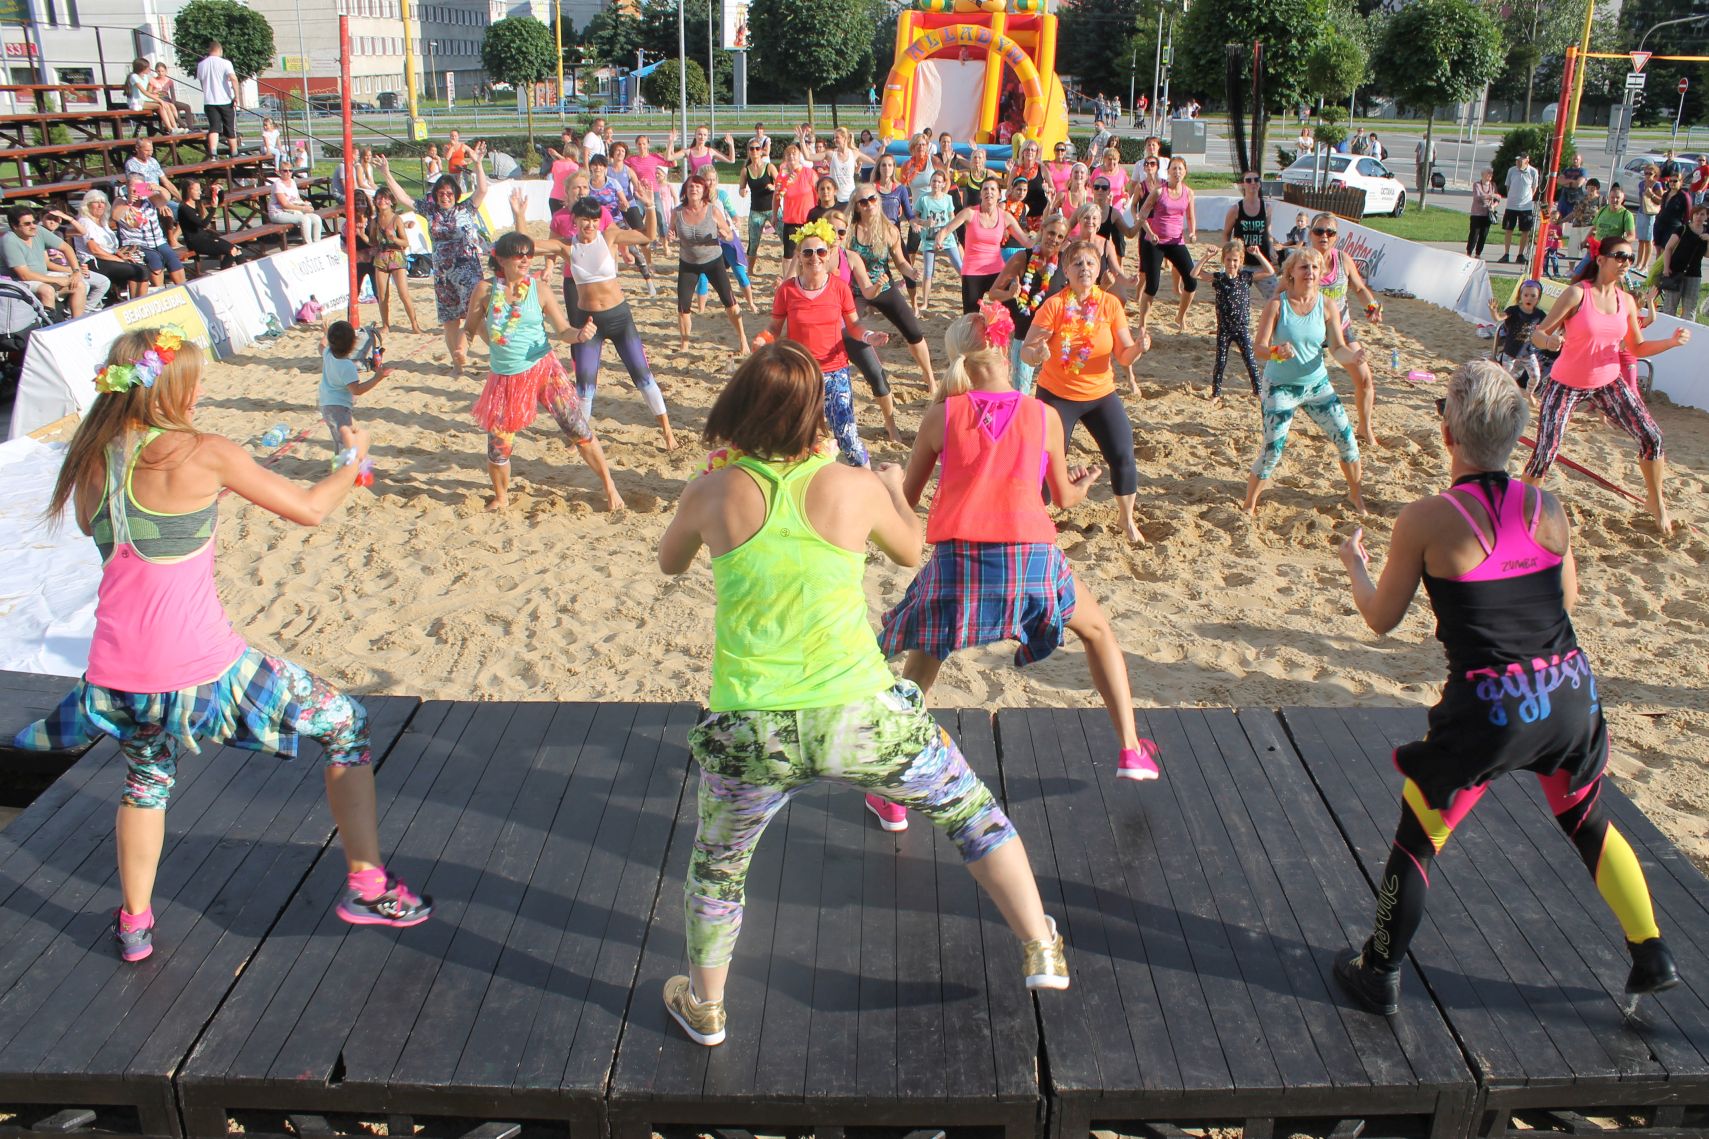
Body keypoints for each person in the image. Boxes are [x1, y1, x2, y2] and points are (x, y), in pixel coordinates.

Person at [654, 340, 1069, 1046]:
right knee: (972, 813)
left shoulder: (712, 491)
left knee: (718, 869)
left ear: (739, 408)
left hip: (754, 724)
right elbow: (910, 549)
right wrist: (888, 484)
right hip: (860, 712)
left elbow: (669, 562)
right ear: (816, 413)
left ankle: (707, 1004)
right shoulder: (850, 485)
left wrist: (707, 483)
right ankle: (1039, 945)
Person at [15, 327, 432, 964]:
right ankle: (368, 884)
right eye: (194, 381)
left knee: (146, 780)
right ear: (170, 388)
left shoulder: (90, 459)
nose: (201, 392)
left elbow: (133, 528)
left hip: (116, 673)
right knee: (347, 725)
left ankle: (134, 924)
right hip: (203, 667)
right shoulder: (205, 451)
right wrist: (353, 462)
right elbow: (310, 509)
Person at [1330, 360, 1677, 1017]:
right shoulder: (1548, 506)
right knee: (1586, 819)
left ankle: (1378, 971)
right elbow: (1566, 599)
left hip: (1491, 707)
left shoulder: (1426, 518)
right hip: (1568, 691)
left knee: (1417, 839)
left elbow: (1380, 619)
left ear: (1446, 434)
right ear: (1517, 435)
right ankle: (1650, 949)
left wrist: (1354, 565)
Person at [879, 309, 1160, 799]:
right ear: (1007, 354)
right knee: (1097, 632)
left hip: (961, 564)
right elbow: (1063, 499)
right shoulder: (1043, 415)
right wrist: (1084, 483)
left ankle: (890, 788)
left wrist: (885, 485)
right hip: (1031, 560)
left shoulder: (941, 415)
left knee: (924, 660)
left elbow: (908, 499)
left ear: (959, 358)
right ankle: (1132, 749)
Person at [1524, 236, 1686, 534]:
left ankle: (1655, 501)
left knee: (1652, 438)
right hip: (1566, 383)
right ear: (1600, 260)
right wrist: (1548, 341)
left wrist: (1671, 342)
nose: (1626, 262)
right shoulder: (1577, 294)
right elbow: (1538, 332)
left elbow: (1636, 348)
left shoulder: (1626, 301)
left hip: (1608, 381)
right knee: (1545, 451)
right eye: (1620, 256)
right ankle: (1522, 514)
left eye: (1630, 258)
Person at [463, 231, 622, 513]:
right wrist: (460, 349)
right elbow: (468, 329)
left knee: (578, 429)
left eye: (529, 254)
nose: (526, 260)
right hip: (505, 377)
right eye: (518, 255)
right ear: (501, 259)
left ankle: (610, 487)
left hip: (544, 369)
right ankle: (501, 497)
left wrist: (580, 335)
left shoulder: (540, 290)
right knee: (498, 446)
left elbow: (563, 331)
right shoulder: (485, 290)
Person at [521, 191, 676, 452]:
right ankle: (579, 438)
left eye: (594, 220)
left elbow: (648, 236)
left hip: (619, 318)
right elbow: (526, 246)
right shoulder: (567, 247)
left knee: (643, 376)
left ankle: (667, 431)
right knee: (585, 385)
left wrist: (650, 206)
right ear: (575, 220)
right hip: (588, 322)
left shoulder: (610, 237)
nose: (590, 225)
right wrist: (519, 215)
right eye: (585, 219)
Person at [1018, 239, 1147, 544]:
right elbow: (1026, 351)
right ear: (1066, 271)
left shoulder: (1110, 304)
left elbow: (1124, 355)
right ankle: (1039, 518)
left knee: (1123, 454)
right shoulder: (1054, 305)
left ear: (1099, 268)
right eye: (1077, 263)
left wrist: (1139, 348)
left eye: (1090, 263)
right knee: (1046, 461)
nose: (1084, 268)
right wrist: (1037, 354)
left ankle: (1126, 519)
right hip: (1057, 394)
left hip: (1101, 394)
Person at [1245, 247, 1365, 517]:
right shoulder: (1277, 305)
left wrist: (1353, 357)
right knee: (1272, 450)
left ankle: (1356, 497)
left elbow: (1337, 348)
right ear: (1291, 273)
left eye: (1314, 268)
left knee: (1348, 441)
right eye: (1304, 267)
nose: (1310, 272)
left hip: (1317, 385)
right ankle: (1249, 504)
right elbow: (1258, 349)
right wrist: (1276, 352)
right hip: (1280, 387)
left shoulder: (1327, 305)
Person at [765, 218, 892, 466]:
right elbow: (774, 328)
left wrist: (869, 337)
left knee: (847, 436)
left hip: (835, 372)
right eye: (808, 252)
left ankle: (866, 477)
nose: (815, 258)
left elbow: (853, 326)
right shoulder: (787, 290)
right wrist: (763, 340)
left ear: (829, 253)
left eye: (821, 251)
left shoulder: (839, 288)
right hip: (801, 373)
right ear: (799, 256)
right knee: (800, 439)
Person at [378, 152, 487, 372]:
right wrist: (387, 174)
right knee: (450, 321)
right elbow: (403, 198)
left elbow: (482, 190)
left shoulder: (466, 209)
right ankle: (457, 364)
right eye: (440, 193)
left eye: (449, 193)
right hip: (443, 276)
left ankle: (500, 355)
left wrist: (478, 164)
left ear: (455, 194)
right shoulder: (431, 211)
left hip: (468, 274)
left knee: (476, 318)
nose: (445, 197)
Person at [844, 186, 935, 388]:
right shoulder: (849, 231)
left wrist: (911, 272)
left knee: (913, 332)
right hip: (857, 290)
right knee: (846, 332)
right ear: (856, 207)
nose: (869, 204)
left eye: (872, 199)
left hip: (884, 286)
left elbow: (900, 261)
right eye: (863, 202)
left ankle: (929, 375)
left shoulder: (889, 230)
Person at [1310, 213, 1382, 447]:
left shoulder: (1343, 259)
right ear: (1311, 234)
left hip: (1340, 328)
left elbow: (1359, 289)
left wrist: (1371, 307)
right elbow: (1282, 292)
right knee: (1298, 386)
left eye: (1329, 232)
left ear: (1336, 237)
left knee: (1365, 378)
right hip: (1310, 331)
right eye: (1319, 231)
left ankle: (1365, 427)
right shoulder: (1303, 260)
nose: (1324, 236)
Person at [987, 214, 1070, 395]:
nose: (1054, 239)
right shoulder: (1022, 257)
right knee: (1021, 391)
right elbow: (993, 293)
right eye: (1051, 233)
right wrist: (1010, 294)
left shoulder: (1066, 264)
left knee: (1055, 392)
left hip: (1056, 338)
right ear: (1042, 230)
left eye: (1060, 236)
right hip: (1025, 336)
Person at [671, 176, 748, 354]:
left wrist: (725, 235)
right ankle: (684, 345)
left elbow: (730, 234)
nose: (694, 189)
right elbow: (670, 232)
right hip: (688, 263)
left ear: (704, 190)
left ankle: (743, 339)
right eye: (691, 186)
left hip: (713, 261)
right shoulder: (677, 212)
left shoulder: (712, 210)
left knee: (729, 301)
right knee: (683, 307)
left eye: (698, 187)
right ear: (685, 190)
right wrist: (669, 236)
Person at [1196, 238, 1273, 399]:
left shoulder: (1245, 277)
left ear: (1241, 261)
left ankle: (1258, 391)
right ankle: (1216, 394)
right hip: (1224, 328)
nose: (1232, 263)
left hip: (1242, 327)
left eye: (1235, 260)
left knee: (1250, 360)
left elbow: (1269, 271)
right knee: (1220, 362)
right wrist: (1206, 257)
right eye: (1228, 259)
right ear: (1223, 260)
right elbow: (1194, 273)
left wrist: (1258, 255)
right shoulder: (1219, 278)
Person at [2, 205, 108, 317]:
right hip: (15, 281)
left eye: (34, 222)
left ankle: (76, 321)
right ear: (14, 226)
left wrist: (76, 271)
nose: (33, 226)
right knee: (47, 290)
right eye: (27, 224)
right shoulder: (9, 241)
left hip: (41, 275)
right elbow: (25, 275)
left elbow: (66, 248)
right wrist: (57, 280)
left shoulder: (39, 231)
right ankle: (48, 324)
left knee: (79, 285)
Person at [947, 178, 1032, 314]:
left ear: (999, 194)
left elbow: (1026, 241)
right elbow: (946, 230)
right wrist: (939, 239)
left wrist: (1044, 240)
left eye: (993, 189)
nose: (989, 192)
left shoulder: (1005, 217)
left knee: (1012, 310)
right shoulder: (970, 213)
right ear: (980, 194)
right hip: (972, 271)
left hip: (996, 269)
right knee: (971, 315)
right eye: (985, 189)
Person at [1133, 156, 1199, 331]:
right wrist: (1150, 233)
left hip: (1176, 241)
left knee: (1191, 281)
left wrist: (1192, 232)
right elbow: (1142, 215)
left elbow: (1190, 216)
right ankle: (1142, 324)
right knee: (1152, 286)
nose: (1177, 172)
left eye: (1180, 169)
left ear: (1185, 172)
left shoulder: (1188, 193)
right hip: (1154, 242)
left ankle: (1180, 316)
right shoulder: (1159, 192)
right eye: (1174, 168)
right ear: (1168, 171)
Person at [319, 319, 389, 451]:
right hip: (338, 408)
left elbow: (321, 346)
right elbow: (356, 390)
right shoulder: (347, 366)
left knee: (340, 439)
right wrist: (376, 379)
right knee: (345, 442)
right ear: (354, 344)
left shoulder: (328, 353)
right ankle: (346, 463)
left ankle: (342, 460)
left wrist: (326, 334)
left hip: (325, 403)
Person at [71, 190, 149, 300]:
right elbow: (95, 250)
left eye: (103, 202)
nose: (100, 206)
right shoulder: (85, 222)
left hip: (107, 258)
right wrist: (119, 260)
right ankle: (137, 302)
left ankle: (136, 300)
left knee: (139, 267)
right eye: (96, 202)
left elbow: (110, 246)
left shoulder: (103, 222)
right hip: (93, 262)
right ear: (87, 205)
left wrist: (122, 256)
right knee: (140, 270)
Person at [369, 188, 423, 333]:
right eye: (379, 198)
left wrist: (393, 238)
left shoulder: (396, 219)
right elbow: (373, 241)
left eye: (385, 198)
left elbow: (405, 243)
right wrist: (364, 234)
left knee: (403, 294)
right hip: (381, 258)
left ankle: (414, 325)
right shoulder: (374, 221)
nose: (382, 201)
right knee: (382, 295)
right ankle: (385, 325)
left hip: (396, 257)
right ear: (375, 201)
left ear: (391, 201)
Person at [1487, 279, 1550, 394]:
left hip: (1528, 352)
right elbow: (1498, 318)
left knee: (1535, 376)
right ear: (1520, 296)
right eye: (1526, 295)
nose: (1529, 298)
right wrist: (1493, 311)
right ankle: (1500, 394)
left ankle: (1529, 394)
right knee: (1506, 378)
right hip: (1510, 352)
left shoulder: (1539, 314)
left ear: (1538, 298)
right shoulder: (1513, 310)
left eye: (1533, 296)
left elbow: (1550, 325)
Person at [914, 169, 963, 313]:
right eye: (934, 181)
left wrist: (951, 232)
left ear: (943, 184)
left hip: (947, 238)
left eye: (939, 182)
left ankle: (967, 296)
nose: (936, 184)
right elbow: (914, 217)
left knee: (960, 268)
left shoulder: (947, 199)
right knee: (928, 271)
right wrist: (924, 222)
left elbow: (952, 217)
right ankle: (925, 302)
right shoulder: (923, 199)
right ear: (930, 182)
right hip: (929, 239)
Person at [113, 197, 184, 289]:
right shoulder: (121, 200)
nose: (136, 191)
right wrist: (129, 202)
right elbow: (114, 216)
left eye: (139, 188)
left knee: (172, 259)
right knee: (154, 259)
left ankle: (184, 289)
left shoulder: (150, 199)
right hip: (136, 243)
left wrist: (148, 191)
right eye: (133, 189)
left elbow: (164, 198)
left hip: (158, 241)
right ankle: (159, 290)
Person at [1656, 202, 1708, 320]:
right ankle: (1667, 329)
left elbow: (1707, 255)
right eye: (1696, 214)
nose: (1699, 217)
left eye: (1702, 214)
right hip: (1675, 271)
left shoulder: (1706, 232)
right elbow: (1668, 248)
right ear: (1692, 215)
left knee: (1690, 309)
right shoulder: (1682, 229)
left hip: (1694, 274)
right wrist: (1666, 268)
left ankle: (1686, 330)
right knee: (1670, 307)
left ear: (1707, 216)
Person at [177, 180, 240, 270]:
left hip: (205, 237)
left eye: (200, 190)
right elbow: (203, 224)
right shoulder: (184, 208)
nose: (199, 192)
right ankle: (223, 275)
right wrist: (213, 209)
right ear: (188, 191)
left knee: (238, 251)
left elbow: (220, 200)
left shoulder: (197, 202)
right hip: (195, 242)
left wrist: (218, 190)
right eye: (197, 190)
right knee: (232, 251)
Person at [1222, 169, 1275, 276]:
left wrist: (1272, 249)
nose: (1253, 183)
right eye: (1248, 180)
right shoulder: (1235, 209)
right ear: (1243, 184)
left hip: (1262, 261)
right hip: (1241, 263)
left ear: (1260, 183)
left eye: (1256, 180)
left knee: (1274, 286)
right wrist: (1226, 256)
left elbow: (1268, 233)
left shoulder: (1267, 208)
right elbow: (1226, 234)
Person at [738, 139, 778, 268]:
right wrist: (742, 192)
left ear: (761, 151)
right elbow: (741, 189)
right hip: (756, 211)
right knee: (753, 243)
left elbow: (781, 184)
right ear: (748, 152)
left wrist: (773, 187)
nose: (754, 151)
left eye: (757, 148)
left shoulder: (769, 167)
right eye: (752, 148)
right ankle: (750, 272)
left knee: (786, 238)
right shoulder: (745, 171)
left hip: (772, 209)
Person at [195, 41, 239, 157]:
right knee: (229, 127)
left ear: (209, 50)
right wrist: (236, 96)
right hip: (225, 100)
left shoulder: (201, 65)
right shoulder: (225, 63)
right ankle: (234, 152)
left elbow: (202, 82)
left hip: (209, 101)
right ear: (220, 50)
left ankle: (213, 153)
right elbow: (234, 79)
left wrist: (206, 92)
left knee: (214, 127)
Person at [1500, 153, 1539, 264]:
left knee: (1525, 231)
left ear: (1526, 161)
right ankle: (1506, 253)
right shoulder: (1512, 170)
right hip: (1511, 205)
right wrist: (1511, 197)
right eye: (1517, 161)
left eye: (1520, 161)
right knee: (1508, 229)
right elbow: (1508, 186)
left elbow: (1534, 187)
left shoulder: (1533, 172)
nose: (1518, 163)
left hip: (1525, 206)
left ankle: (1520, 254)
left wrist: (1528, 198)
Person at [267, 171, 324, 246]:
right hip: (278, 213)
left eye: (290, 170)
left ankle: (317, 244)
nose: (288, 172)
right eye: (285, 170)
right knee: (305, 220)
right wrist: (303, 208)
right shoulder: (278, 185)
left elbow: (297, 199)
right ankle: (308, 246)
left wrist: (306, 205)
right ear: (280, 172)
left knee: (316, 218)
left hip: (292, 211)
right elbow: (284, 205)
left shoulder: (292, 182)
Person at [126, 58, 178, 134]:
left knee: (166, 105)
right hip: (137, 102)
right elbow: (144, 92)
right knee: (160, 106)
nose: (150, 69)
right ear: (142, 68)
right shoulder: (134, 76)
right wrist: (159, 100)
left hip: (145, 100)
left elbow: (149, 91)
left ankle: (175, 127)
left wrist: (158, 95)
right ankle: (170, 129)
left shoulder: (145, 77)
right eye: (148, 67)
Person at [125, 140, 179, 209]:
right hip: (145, 201)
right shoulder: (131, 164)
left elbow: (166, 183)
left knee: (182, 208)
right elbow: (138, 188)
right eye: (147, 151)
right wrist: (159, 203)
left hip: (160, 196)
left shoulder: (153, 161)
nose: (150, 153)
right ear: (137, 149)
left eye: (151, 150)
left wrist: (182, 200)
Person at [1467, 168, 1500, 259]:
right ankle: (1469, 252)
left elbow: (1498, 198)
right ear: (1483, 175)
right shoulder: (1477, 185)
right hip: (1476, 214)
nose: (1490, 175)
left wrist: (1493, 205)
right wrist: (1491, 196)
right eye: (1488, 173)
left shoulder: (1493, 185)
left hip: (1487, 214)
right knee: (1474, 234)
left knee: (1484, 234)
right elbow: (1477, 197)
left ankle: (1478, 253)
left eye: (1491, 174)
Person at [1635, 163, 1663, 269]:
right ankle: (1638, 263)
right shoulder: (1641, 184)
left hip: (1651, 214)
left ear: (1655, 174)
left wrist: (1652, 195)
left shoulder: (1657, 185)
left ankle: (1645, 265)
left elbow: (1661, 200)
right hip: (1641, 212)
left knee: (1648, 240)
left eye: (1650, 173)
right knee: (1641, 240)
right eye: (1646, 173)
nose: (1647, 175)